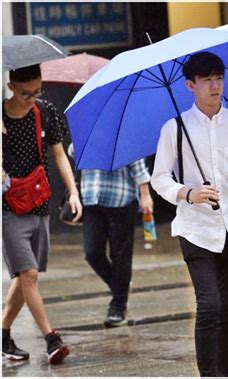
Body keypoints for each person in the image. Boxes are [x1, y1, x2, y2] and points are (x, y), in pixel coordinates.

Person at [151, 52, 228, 377]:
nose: (215, 86)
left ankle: (224, 372)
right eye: (207, 80)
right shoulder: (174, 128)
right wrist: (189, 193)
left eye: (219, 78)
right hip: (196, 229)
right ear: (191, 85)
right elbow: (159, 178)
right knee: (209, 305)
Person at [2, 64, 82, 364]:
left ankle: (3, 334)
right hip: (8, 208)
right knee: (30, 274)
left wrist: (72, 191)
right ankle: (51, 339)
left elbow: (59, 154)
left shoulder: (45, 111)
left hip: (39, 203)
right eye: (26, 93)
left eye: (38, 91)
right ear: (11, 87)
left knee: (27, 275)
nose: (32, 98)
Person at [81, 161, 154, 327]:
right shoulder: (86, 134)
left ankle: (118, 306)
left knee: (120, 256)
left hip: (120, 197)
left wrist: (145, 194)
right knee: (92, 252)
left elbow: (137, 161)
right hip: (91, 196)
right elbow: (73, 153)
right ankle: (120, 287)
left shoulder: (124, 134)